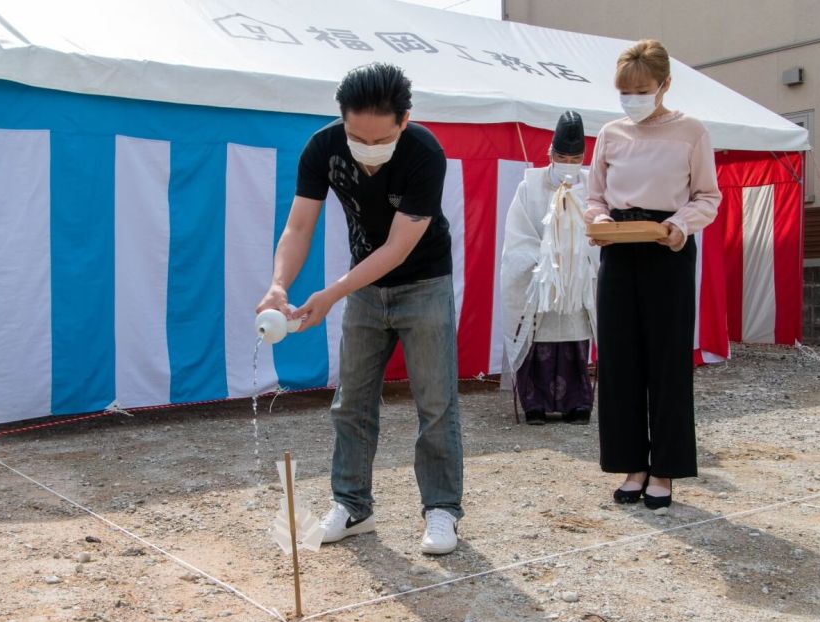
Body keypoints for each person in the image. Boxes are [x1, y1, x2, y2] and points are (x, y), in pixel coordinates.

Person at [256, 62, 463, 555]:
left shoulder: (425, 154)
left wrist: (331, 294)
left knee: (435, 403)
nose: (367, 148)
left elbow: (397, 248)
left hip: (424, 283)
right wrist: (277, 285)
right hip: (365, 289)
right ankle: (351, 507)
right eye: (356, 136)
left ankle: (441, 510)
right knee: (351, 402)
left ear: (404, 121)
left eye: (379, 139)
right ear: (342, 121)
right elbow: (299, 226)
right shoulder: (323, 147)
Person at [584, 39, 721, 510]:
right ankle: (632, 465)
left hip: (668, 245)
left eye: (642, 89)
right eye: (625, 90)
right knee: (619, 359)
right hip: (620, 248)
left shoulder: (691, 132)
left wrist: (679, 226)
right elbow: (595, 195)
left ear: (664, 84)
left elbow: (708, 196)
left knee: (667, 360)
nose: (632, 98)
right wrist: (599, 221)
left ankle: (664, 469)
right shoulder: (610, 133)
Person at [501, 110, 598, 426]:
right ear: (550, 153)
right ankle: (536, 404)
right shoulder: (529, 187)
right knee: (537, 341)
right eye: (562, 156)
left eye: (575, 157)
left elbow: (600, 230)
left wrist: (578, 259)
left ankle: (577, 403)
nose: (568, 162)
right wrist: (547, 260)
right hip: (541, 278)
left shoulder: (593, 187)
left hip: (576, 281)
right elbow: (518, 235)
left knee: (574, 339)